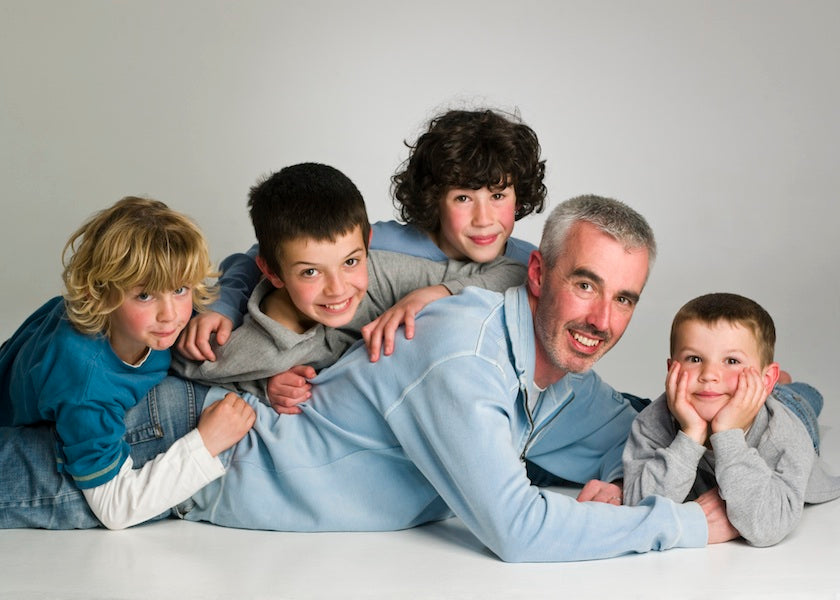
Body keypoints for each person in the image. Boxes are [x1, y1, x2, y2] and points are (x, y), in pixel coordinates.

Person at [136, 194, 733, 563]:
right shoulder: (463, 355)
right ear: (536, 274)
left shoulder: (565, 379)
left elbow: (646, 440)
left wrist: (626, 477)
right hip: (178, 445)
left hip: (209, 438)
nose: (601, 320)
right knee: (94, 337)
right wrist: (681, 526)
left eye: (624, 299)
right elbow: (517, 532)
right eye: (584, 285)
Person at [176, 108, 546, 366]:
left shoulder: (526, 260)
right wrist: (224, 306)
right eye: (463, 198)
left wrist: (434, 293)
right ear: (434, 197)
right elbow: (259, 256)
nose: (484, 219)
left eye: (498, 196)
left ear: (519, 196)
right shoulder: (383, 244)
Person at [171, 162, 528, 410]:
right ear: (274, 273)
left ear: (367, 245)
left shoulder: (379, 274)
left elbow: (513, 272)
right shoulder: (247, 348)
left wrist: (433, 293)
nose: (338, 289)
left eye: (350, 262)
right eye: (311, 272)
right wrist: (264, 385)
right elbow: (178, 370)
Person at [0, 197, 255, 530]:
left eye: (180, 289)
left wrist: (262, 375)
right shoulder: (85, 379)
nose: (170, 314)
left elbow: (246, 266)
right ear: (98, 295)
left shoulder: (163, 319)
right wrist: (206, 444)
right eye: (144, 295)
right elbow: (113, 508)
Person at [621, 292, 840, 547]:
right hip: (741, 394)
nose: (709, 374)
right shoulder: (651, 423)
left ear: (765, 379)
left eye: (732, 361)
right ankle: (776, 384)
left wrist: (727, 435)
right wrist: (690, 435)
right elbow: (639, 510)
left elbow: (767, 527)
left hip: (792, 409)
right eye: (694, 359)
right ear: (672, 370)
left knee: (803, 398)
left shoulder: (785, 433)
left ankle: (782, 386)